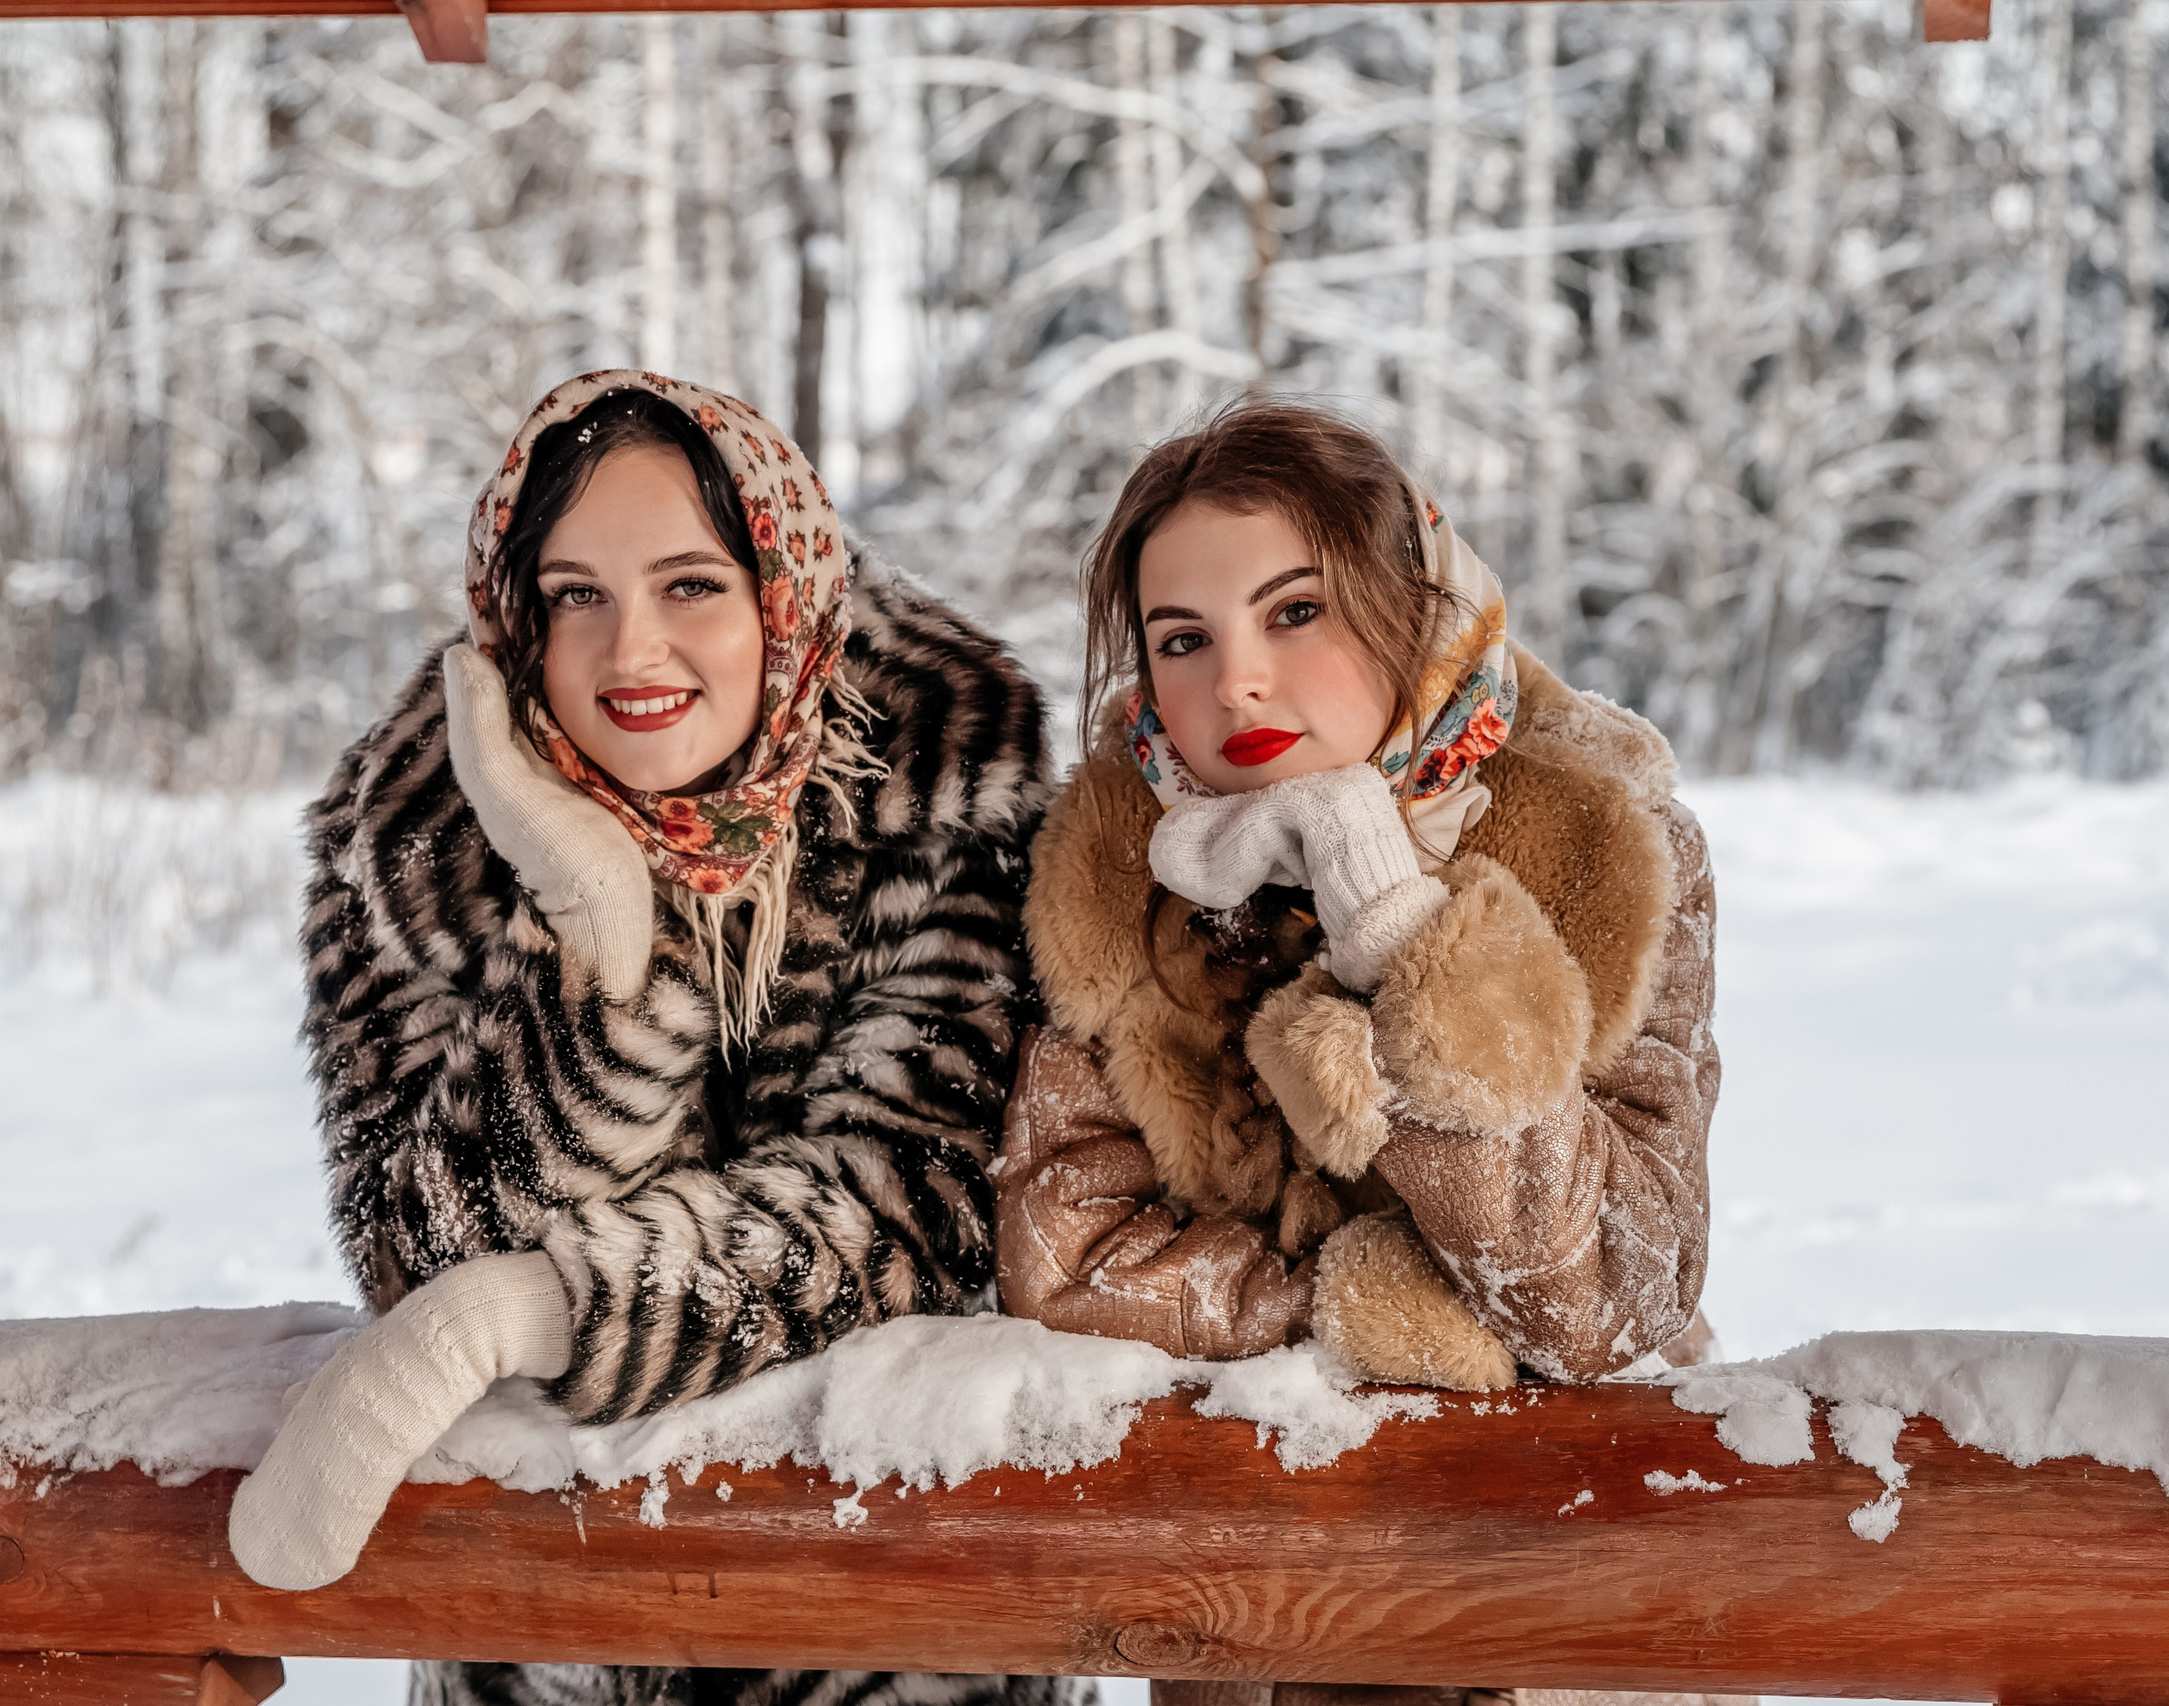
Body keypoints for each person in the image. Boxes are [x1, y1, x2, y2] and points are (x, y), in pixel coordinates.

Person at [228, 370, 1072, 1706]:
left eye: (690, 585)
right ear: (519, 612)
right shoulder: (415, 832)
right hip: (541, 1620)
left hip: (885, 1603)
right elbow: (421, 1245)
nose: (632, 651)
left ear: (780, 590)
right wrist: (596, 924)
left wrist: (545, 1307)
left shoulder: (944, 766)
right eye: (579, 595)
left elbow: (915, 1211)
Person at [998, 400, 1720, 1393]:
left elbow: (1611, 1299)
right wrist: (1357, 1311)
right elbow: (1066, 1264)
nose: (1236, 681)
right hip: (1228, 1498)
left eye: (1296, 611)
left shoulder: (1612, 839)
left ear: (1411, 604)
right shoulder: (1110, 858)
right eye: (1181, 640)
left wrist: (1396, 930)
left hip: (1571, 1498)